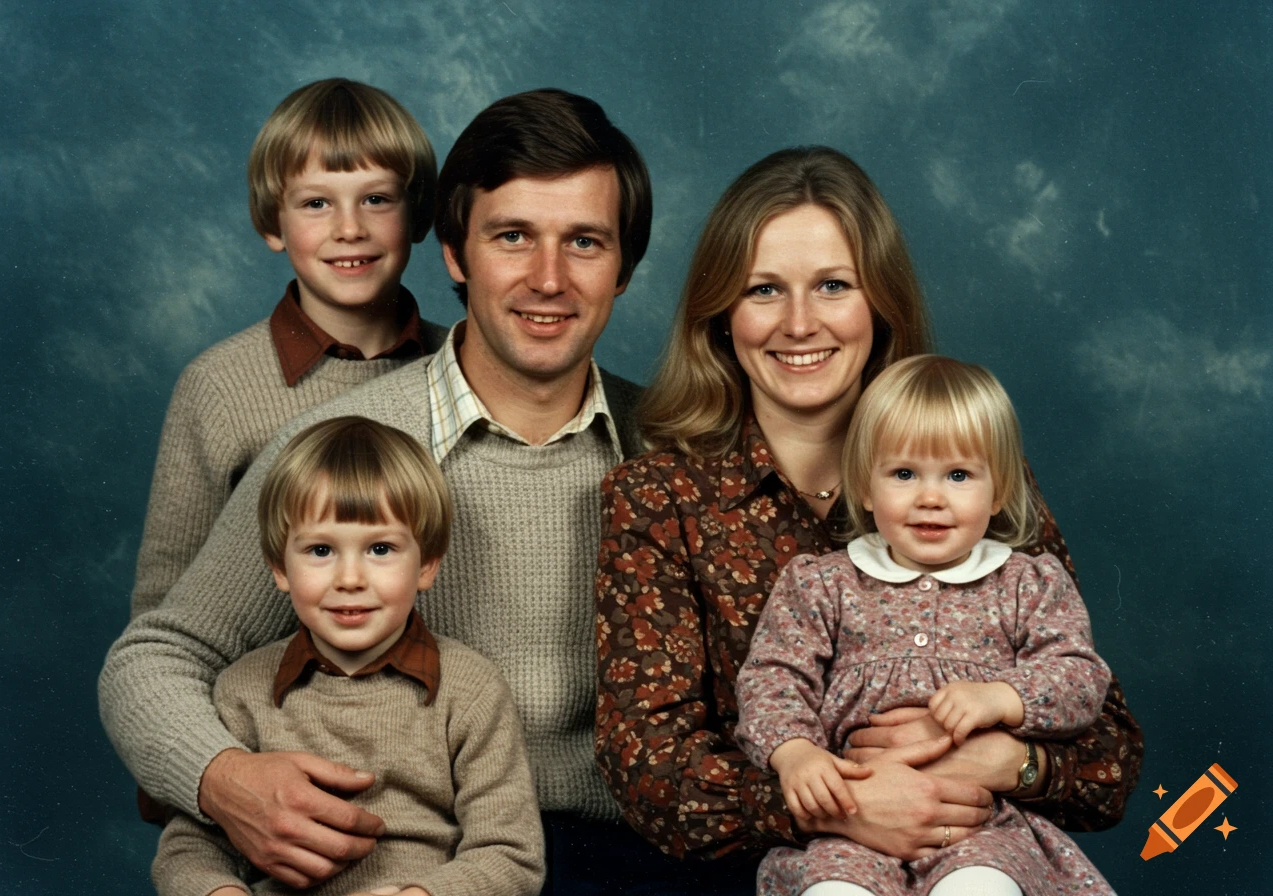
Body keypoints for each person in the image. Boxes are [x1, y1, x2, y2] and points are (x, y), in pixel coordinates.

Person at [102, 88, 709, 894]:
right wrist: (221, 780)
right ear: (456, 254)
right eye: (513, 237)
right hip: (410, 856)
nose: (548, 278)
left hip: (632, 857)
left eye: (586, 242)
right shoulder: (342, 447)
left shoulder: (674, 452)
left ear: (625, 269)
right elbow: (155, 654)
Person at [595, 147, 1142, 884]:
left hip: (985, 854)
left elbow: (1110, 755)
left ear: (879, 303)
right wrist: (835, 802)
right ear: (721, 313)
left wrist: (1004, 760)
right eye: (763, 290)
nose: (799, 323)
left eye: (832, 285)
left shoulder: (974, 474)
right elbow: (648, 768)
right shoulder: (659, 498)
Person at [733, 355, 1114, 896]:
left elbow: (1079, 676)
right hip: (853, 817)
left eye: (959, 475)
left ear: (999, 489)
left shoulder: (1029, 583)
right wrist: (794, 753)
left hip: (979, 823)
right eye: (904, 474)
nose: (930, 497)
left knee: (981, 886)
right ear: (865, 487)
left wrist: (1005, 696)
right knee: (833, 890)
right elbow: (772, 677)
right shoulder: (822, 583)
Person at [151, 416, 543, 896]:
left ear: (427, 565)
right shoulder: (240, 691)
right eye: (320, 550)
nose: (350, 578)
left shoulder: (471, 689)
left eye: (380, 548)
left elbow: (510, 855)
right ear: (279, 566)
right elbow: (188, 850)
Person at [131, 77, 446, 620]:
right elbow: (165, 613)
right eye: (316, 203)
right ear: (270, 223)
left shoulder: (458, 367)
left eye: (376, 199)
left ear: (417, 216)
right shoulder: (218, 386)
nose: (349, 229)